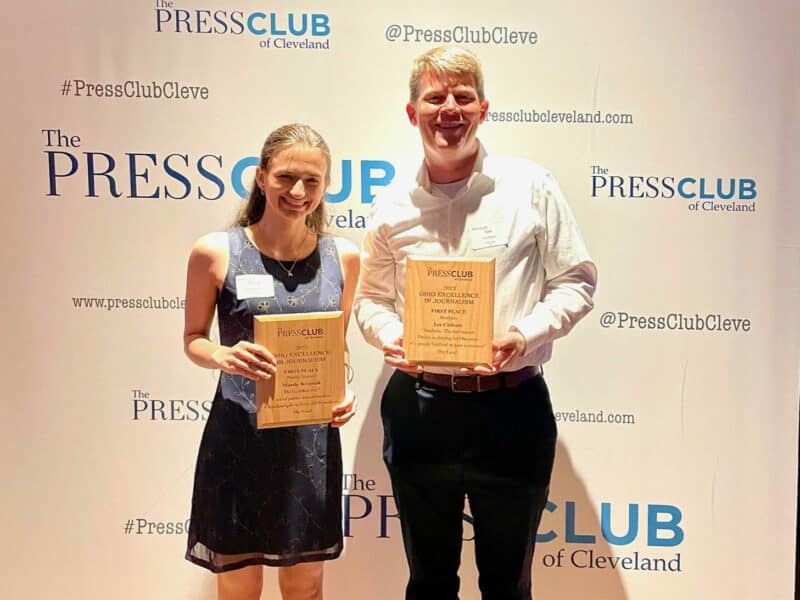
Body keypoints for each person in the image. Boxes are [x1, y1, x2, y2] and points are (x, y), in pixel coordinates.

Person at [354, 47, 598, 600]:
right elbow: (370, 299)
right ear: (412, 112)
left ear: (483, 109)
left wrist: (524, 335)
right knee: (429, 583)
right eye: (434, 97)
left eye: (463, 97)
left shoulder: (531, 186)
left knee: (508, 587)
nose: (449, 109)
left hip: (512, 410)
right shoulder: (391, 204)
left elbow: (576, 281)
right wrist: (392, 337)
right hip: (420, 411)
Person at [183, 123, 360, 600]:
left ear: (325, 185)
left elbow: (337, 349)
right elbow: (193, 339)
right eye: (285, 177)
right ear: (261, 177)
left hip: (309, 446)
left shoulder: (343, 257)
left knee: (305, 587)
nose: (298, 192)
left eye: (312, 180)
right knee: (239, 587)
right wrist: (223, 354)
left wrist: (342, 391)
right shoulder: (215, 251)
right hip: (237, 437)